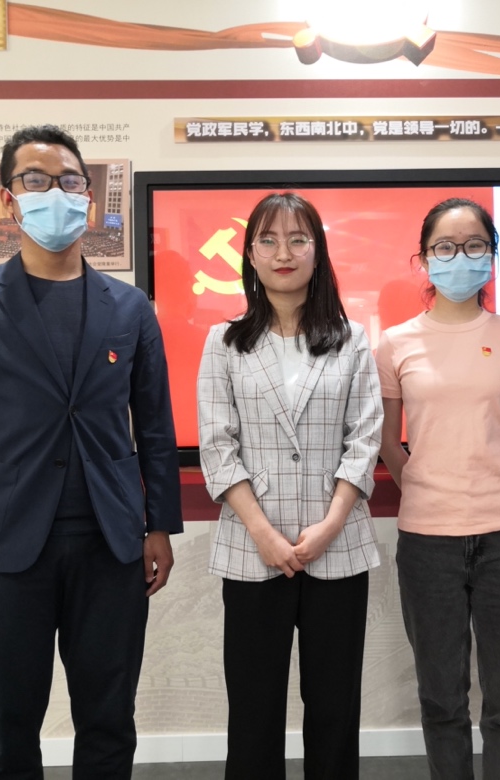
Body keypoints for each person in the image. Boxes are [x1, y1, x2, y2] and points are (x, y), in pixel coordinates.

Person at [0, 125, 183, 779]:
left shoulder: (130, 307)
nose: (54, 192)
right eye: (35, 180)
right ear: (9, 199)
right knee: (6, 733)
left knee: (109, 725)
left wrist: (160, 525)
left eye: (68, 181)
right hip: (1, 549)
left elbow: (154, 426)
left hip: (111, 545)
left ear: (88, 198)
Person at [197, 192, 383, 780]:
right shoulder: (224, 342)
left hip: (338, 547)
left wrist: (330, 524)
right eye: (269, 240)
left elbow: (364, 440)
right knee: (253, 712)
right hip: (252, 551)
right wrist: (263, 532)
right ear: (250, 254)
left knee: (334, 708)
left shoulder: (352, 339)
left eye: (298, 239)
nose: (284, 252)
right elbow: (217, 444)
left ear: (317, 251)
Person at [376, 197, 500, 780]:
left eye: (475, 245)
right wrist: (427, 488)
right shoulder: (395, 344)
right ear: (424, 259)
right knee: (442, 698)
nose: (460, 257)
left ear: (491, 255)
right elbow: (388, 441)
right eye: (445, 247)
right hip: (428, 543)